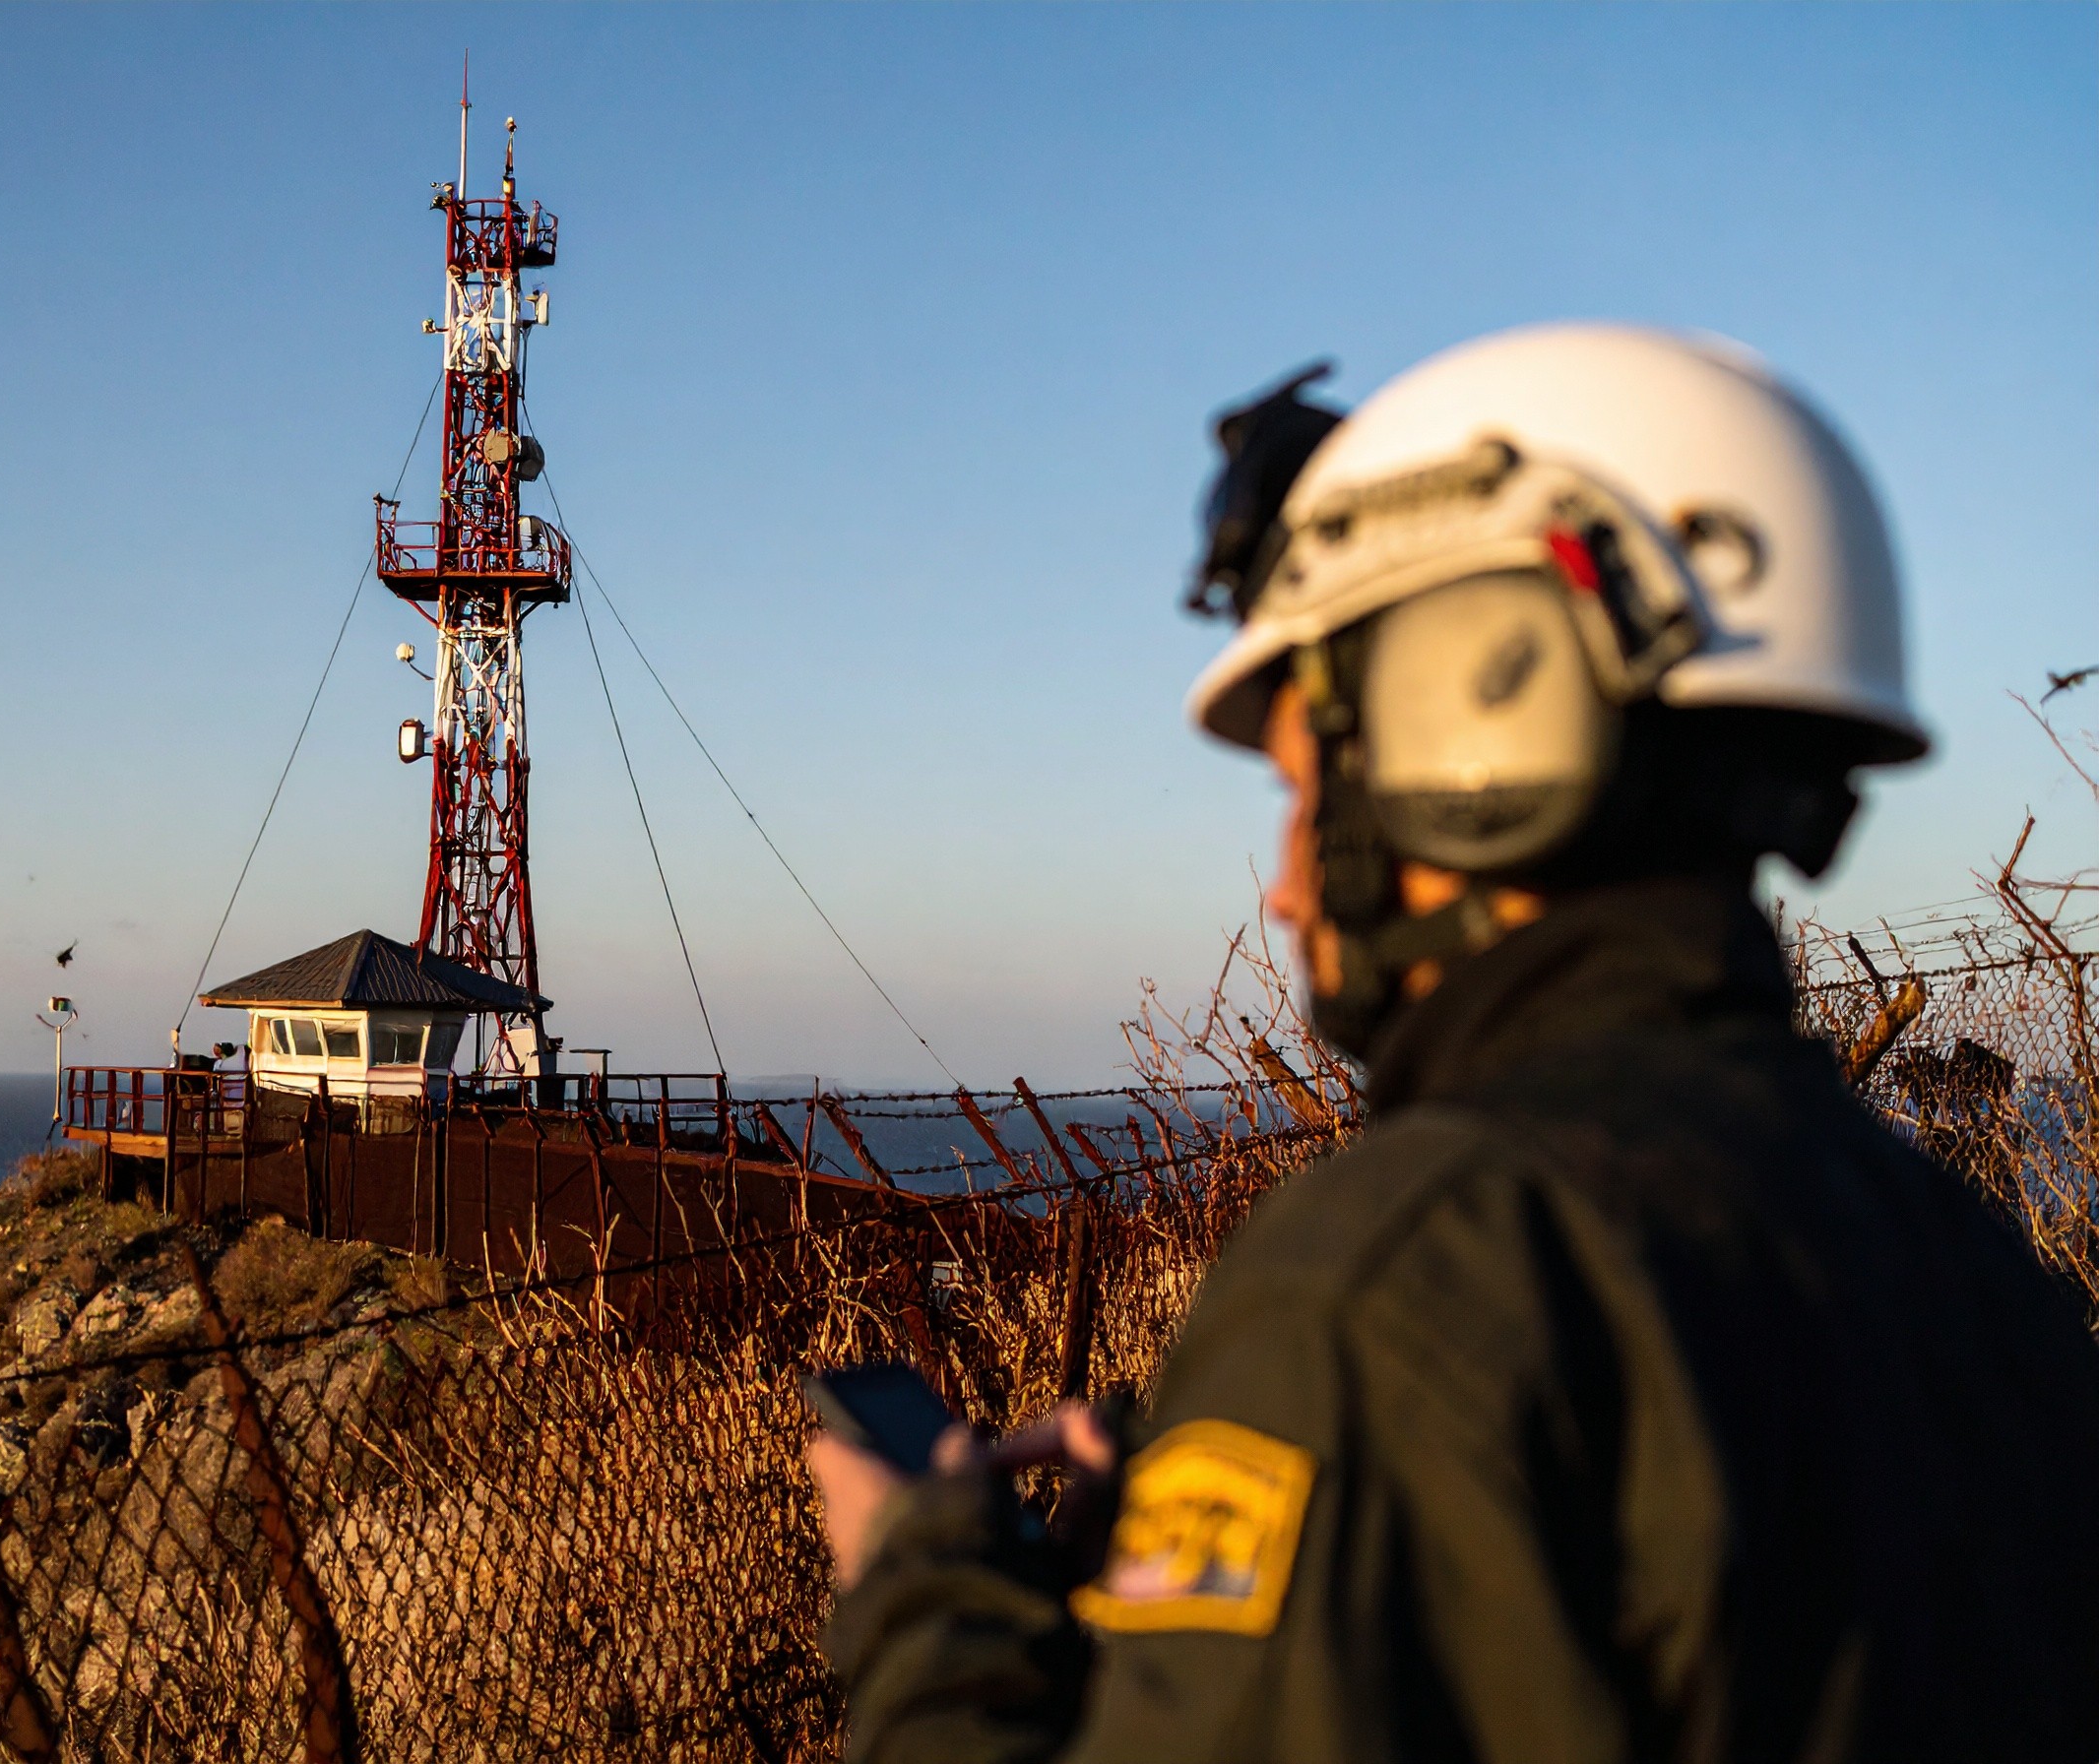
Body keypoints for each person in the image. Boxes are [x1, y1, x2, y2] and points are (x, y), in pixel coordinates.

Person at [807, 325, 2099, 1760]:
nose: (1289, 887)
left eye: (1305, 793)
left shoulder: (1398, 1282)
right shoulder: (1978, 1276)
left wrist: (930, 1607)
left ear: (1488, 729)